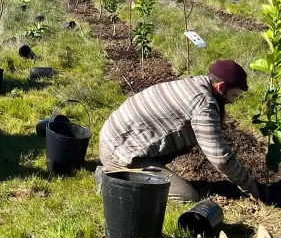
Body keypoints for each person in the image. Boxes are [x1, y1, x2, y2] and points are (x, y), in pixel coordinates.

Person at [96, 60, 261, 202]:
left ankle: (129, 172)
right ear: (221, 87)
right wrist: (249, 186)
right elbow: (220, 158)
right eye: (234, 95)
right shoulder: (203, 103)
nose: (232, 101)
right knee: (186, 196)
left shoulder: (193, 83)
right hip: (119, 152)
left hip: (115, 138)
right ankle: (112, 181)